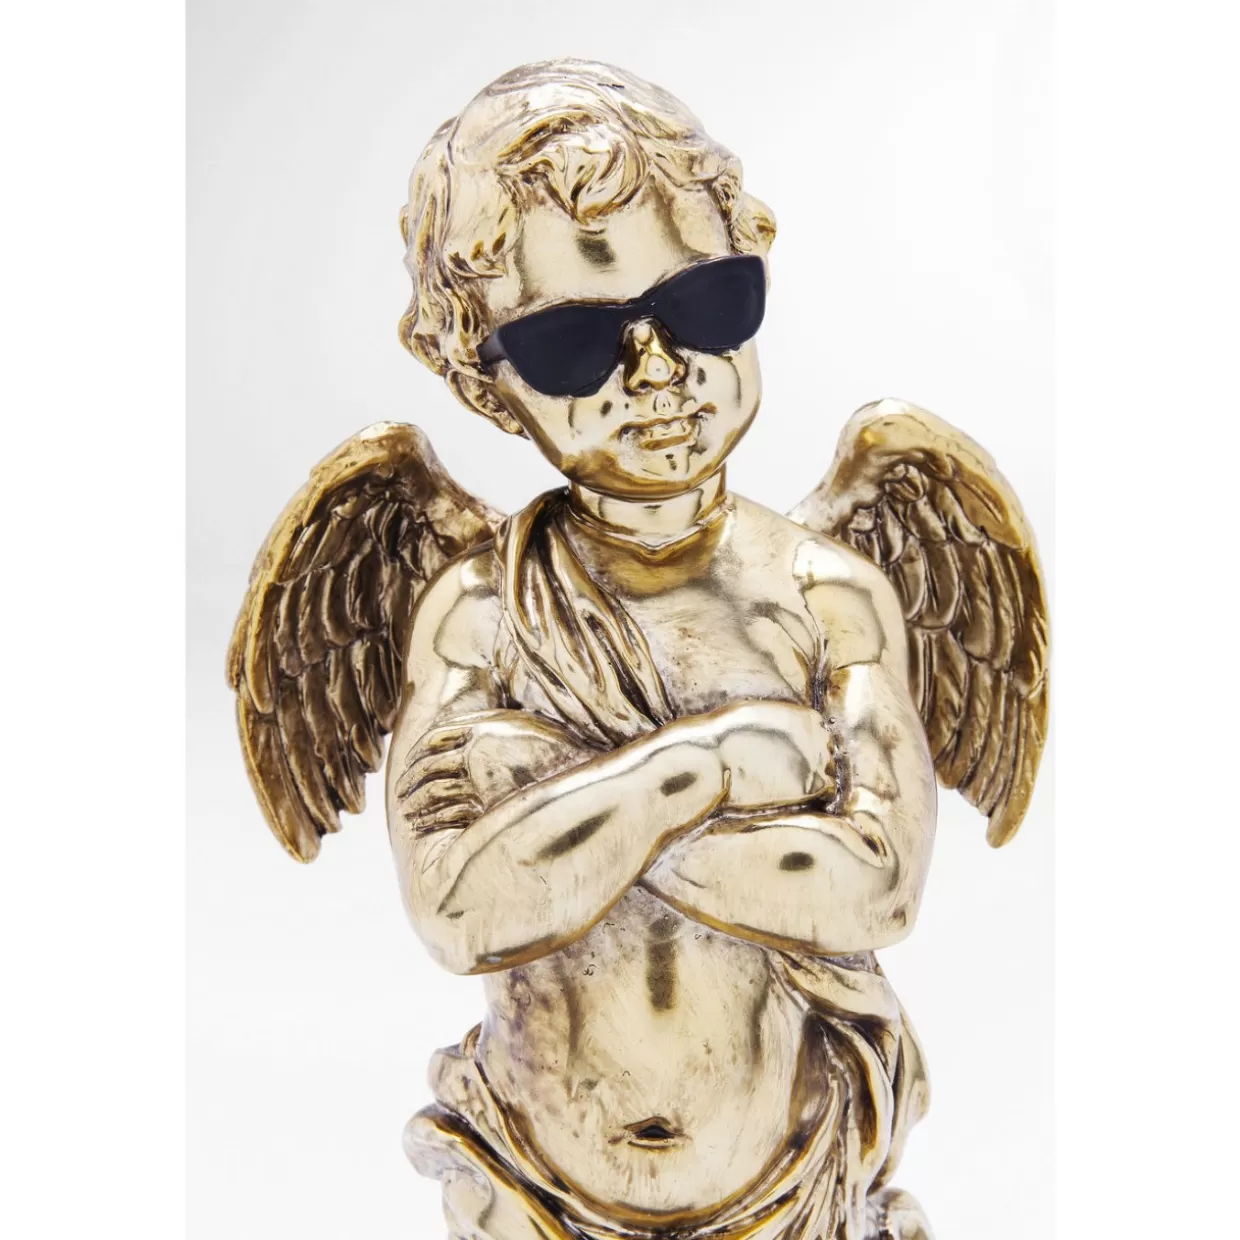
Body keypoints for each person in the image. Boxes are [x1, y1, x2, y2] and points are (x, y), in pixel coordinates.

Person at [386, 60, 936, 1240]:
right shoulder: (478, 610)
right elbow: (461, 912)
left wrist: (552, 795)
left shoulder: (825, 595)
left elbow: (876, 887)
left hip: (795, 1179)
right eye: (574, 343)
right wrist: (709, 766)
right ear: (484, 380)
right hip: (532, 1183)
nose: (656, 372)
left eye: (705, 304)